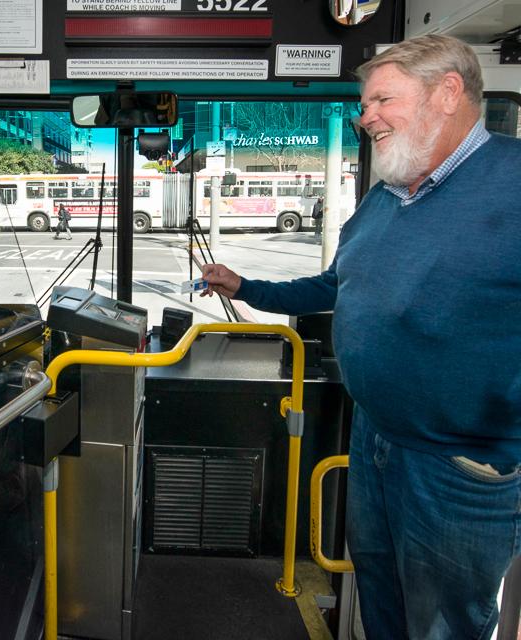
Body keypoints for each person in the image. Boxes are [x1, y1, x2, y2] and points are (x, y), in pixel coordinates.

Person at [201, 35, 521, 640]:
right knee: (383, 604)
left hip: (461, 467)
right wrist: (247, 286)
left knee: (443, 626)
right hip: (375, 441)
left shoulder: (513, 180)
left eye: (381, 100)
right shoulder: (383, 198)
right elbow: (334, 286)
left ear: (447, 92)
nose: (364, 115)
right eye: (363, 103)